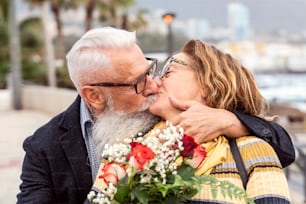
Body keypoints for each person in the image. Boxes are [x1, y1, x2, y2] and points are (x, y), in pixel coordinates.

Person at [17, 27, 293, 204]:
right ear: (95, 95)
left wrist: (230, 120)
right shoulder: (46, 147)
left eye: (155, 69)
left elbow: (279, 145)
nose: (153, 83)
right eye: (139, 80)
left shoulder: (243, 142)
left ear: (209, 87)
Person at [144, 39, 291, 203]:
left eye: (168, 72)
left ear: (207, 85)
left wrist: (231, 120)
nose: (156, 81)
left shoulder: (252, 150)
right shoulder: (138, 143)